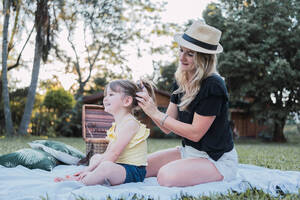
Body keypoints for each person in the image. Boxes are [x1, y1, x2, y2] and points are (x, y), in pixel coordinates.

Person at [136, 20, 238, 187]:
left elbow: (195, 133)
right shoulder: (181, 81)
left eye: (190, 54)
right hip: (189, 152)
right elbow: (166, 127)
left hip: (216, 159)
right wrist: (148, 107)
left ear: (204, 59)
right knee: (140, 167)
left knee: (166, 176)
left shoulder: (213, 85)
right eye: (181, 50)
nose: (182, 57)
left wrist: (155, 113)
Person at [54, 79, 156, 186]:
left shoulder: (130, 124)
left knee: (105, 167)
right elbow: (109, 152)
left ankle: (80, 181)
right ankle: (91, 175)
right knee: (96, 157)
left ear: (127, 101)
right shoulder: (116, 125)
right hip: (119, 165)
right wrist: (89, 168)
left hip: (133, 171)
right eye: (105, 95)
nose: (105, 98)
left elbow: (114, 153)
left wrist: (92, 171)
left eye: (111, 94)